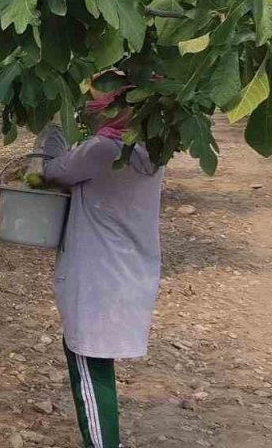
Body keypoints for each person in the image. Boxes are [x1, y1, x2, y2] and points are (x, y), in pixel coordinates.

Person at [41, 75, 163, 448]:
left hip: (98, 277)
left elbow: (54, 172)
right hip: (128, 271)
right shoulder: (150, 150)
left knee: (87, 364)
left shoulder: (102, 149)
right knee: (95, 359)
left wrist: (51, 135)